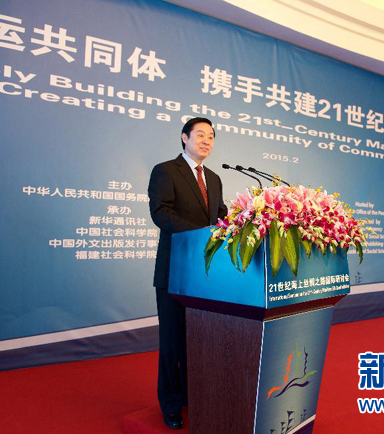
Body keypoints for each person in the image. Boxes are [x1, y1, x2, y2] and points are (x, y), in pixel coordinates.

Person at [147, 117, 227, 429]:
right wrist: (202, 234)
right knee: (172, 341)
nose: (206, 141)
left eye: (211, 137)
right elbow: (161, 213)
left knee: (198, 339)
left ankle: (191, 395)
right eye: (200, 135)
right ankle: (169, 403)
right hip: (174, 270)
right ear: (184, 137)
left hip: (204, 274)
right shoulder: (166, 171)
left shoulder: (214, 179)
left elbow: (220, 216)